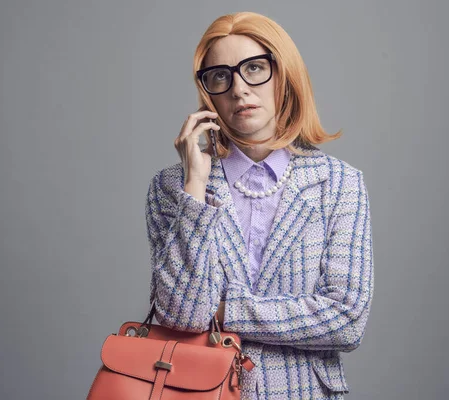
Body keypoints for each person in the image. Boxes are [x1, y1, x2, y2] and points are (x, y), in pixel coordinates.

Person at [145, 11, 374, 400]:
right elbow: (181, 314)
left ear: (284, 74)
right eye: (220, 75)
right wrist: (196, 185)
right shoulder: (174, 187)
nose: (239, 89)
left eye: (254, 68)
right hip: (199, 392)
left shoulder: (339, 184)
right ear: (207, 91)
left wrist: (226, 310)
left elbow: (346, 319)